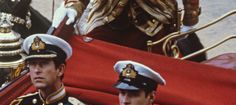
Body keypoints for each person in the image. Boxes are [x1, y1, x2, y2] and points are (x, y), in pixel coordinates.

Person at [51, 0, 201, 53]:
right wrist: (72, 7)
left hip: (155, 18)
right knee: (85, 52)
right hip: (106, 15)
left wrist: (189, 21)